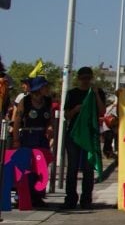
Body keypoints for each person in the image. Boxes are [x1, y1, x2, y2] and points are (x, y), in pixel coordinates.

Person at [62, 67, 107, 210]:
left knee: (88, 168)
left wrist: (95, 94)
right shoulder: (72, 93)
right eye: (83, 78)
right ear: (79, 78)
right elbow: (66, 115)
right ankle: (70, 198)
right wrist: (76, 109)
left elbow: (102, 111)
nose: (86, 81)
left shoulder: (96, 92)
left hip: (90, 134)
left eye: (88, 78)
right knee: (72, 168)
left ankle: (86, 199)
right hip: (74, 134)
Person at [10, 76, 55, 207]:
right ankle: (22, 196)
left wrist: (50, 127)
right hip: (28, 136)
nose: (47, 89)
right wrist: (16, 139)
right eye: (45, 86)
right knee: (26, 167)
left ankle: (37, 196)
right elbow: (17, 121)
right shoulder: (26, 101)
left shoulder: (47, 101)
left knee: (41, 168)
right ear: (39, 88)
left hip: (42, 138)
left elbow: (50, 119)